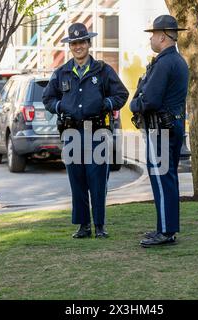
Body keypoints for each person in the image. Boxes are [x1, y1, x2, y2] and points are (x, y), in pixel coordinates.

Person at [43, 23, 129, 239]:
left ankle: (99, 225)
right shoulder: (61, 73)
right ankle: (83, 226)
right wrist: (59, 106)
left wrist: (107, 103)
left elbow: (122, 94)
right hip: (71, 133)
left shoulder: (103, 70)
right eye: (74, 43)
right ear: (70, 47)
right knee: (77, 180)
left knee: (98, 180)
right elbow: (48, 98)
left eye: (82, 42)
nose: (78, 46)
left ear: (89, 43)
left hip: (97, 132)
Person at [130, 15, 189, 247]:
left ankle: (165, 231)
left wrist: (135, 104)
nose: (151, 39)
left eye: (153, 35)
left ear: (162, 36)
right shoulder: (176, 60)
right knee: (167, 179)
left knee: (162, 179)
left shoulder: (164, 63)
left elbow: (150, 99)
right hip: (168, 127)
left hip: (160, 129)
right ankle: (166, 227)